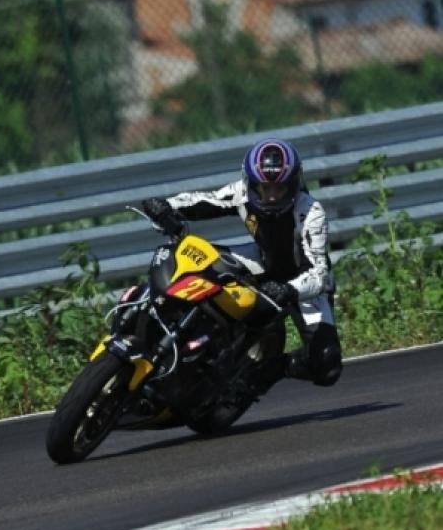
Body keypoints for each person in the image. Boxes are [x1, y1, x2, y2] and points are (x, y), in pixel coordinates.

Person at [142, 138, 342, 393]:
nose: (271, 196)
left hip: (303, 283)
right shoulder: (241, 192)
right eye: (264, 187)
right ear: (252, 183)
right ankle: (157, 315)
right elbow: (205, 201)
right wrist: (167, 206)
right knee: (198, 262)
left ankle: (274, 368)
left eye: (279, 188)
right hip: (262, 261)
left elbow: (319, 273)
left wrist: (289, 290)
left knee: (327, 365)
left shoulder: (311, 211)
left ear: (294, 183)